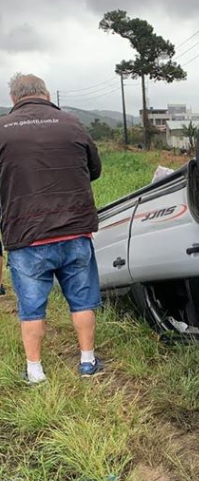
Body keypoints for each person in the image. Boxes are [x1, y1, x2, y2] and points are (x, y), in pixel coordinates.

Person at [0, 73, 103, 384]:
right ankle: (87, 361)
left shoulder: (2, 130)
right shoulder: (72, 123)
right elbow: (94, 170)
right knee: (82, 300)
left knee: (31, 307)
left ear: (14, 99)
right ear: (44, 94)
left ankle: (35, 371)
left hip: (26, 236)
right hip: (75, 232)